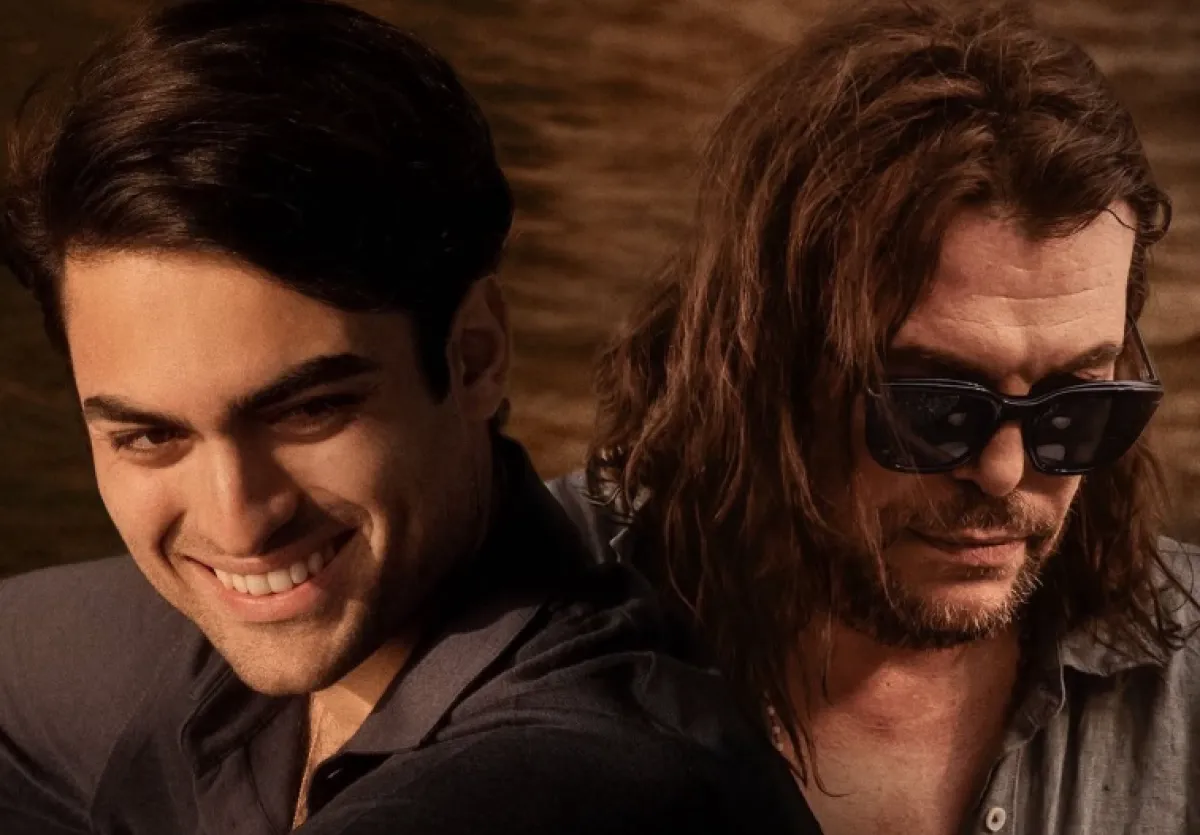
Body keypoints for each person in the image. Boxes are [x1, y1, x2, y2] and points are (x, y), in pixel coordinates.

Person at [0, 2, 821, 833]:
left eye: (309, 410)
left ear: (475, 357)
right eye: (150, 436)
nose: (238, 520)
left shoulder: (594, 775)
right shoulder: (215, 657)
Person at [549, 1, 1200, 833]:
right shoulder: (524, 610)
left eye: (1077, 405)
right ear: (762, 364)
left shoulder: (1185, 673)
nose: (1004, 470)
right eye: (934, 406)